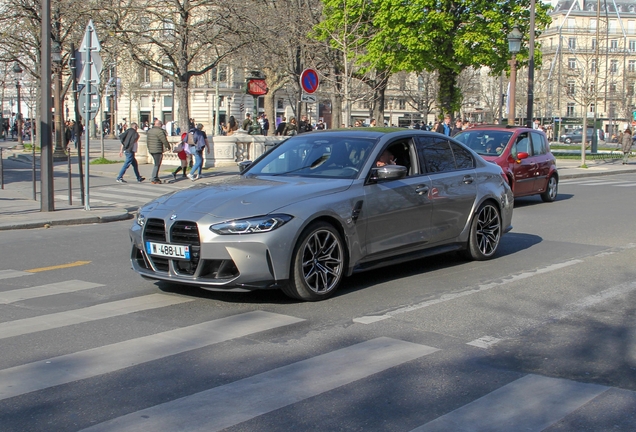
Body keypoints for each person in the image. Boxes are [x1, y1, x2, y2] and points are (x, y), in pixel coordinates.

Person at [146, 119, 170, 184]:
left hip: (151, 149)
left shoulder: (150, 131)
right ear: (159, 124)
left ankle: (155, 177)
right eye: (161, 124)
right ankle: (154, 178)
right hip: (157, 149)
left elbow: (147, 141)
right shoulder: (159, 131)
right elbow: (164, 140)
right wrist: (168, 146)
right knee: (157, 164)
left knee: (156, 163)